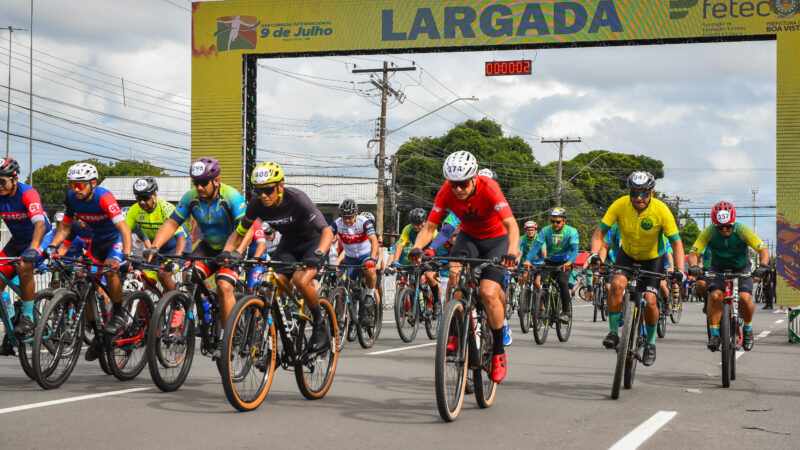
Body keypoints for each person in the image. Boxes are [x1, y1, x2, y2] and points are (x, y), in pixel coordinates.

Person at [409, 150, 519, 383]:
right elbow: (430, 227)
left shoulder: (489, 187)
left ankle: (498, 350)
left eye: (462, 184)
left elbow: (511, 225)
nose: (458, 189)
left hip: (495, 241)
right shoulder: (446, 192)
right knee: (455, 280)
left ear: (474, 178)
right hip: (469, 238)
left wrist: (510, 253)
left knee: (488, 292)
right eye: (453, 184)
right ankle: (458, 331)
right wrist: (417, 248)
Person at [220, 162, 333, 352]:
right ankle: (274, 330)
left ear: (280, 185)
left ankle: (320, 325)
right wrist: (227, 251)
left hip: (313, 244)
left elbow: (326, 231)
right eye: (258, 191)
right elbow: (240, 232)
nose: (263, 195)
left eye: (268, 190)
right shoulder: (256, 204)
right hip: (288, 244)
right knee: (272, 287)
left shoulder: (297, 199)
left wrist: (318, 254)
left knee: (300, 279)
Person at [589, 171, 685, 367]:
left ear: (652, 193)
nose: (638, 198)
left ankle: (650, 343)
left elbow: (676, 243)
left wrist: (680, 269)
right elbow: (600, 232)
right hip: (627, 256)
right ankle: (614, 332)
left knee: (650, 300)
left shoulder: (661, 210)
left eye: (643, 193)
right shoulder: (620, 205)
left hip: (653, 259)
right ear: (629, 192)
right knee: (616, 284)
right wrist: (594, 253)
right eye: (634, 193)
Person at [143, 157, 249, 333]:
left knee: (223, 285)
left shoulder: (232, 196)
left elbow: (246, 228)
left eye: (204, 183)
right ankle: (204, 311)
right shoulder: (191, 197)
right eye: (196, 182)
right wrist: (155, 246)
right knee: (189, 276)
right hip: (208, 246)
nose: (199, 187)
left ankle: (227, 336)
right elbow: (171, 224)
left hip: (233, 248)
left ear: (216, 180)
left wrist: (235, 251)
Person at [45, 162, 133, 361]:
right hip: (97, 243)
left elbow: (124, 230)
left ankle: (118, 313)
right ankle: (99, 336)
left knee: (110, 270)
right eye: (72, 185)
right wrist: (53, 246)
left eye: (80, 185)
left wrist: (126, 257)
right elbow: (65, 229)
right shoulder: (71, 199)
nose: (75, 189)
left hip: (114, 241)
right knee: (83, 284)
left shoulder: (104, 198)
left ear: (93, 183)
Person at [688, 201, 769, 352]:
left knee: (745, 298)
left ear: (733, 222)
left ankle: (748, 329)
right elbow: (693, 253)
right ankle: (714, 334)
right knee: (716, 296)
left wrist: (763, 266)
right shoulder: (709, 231)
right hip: (718, 268)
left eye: (728, 226)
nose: (724, 230)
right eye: (720, 227)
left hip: (741, 268)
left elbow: (763, 249)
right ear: (715, 224)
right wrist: (693, 266)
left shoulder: (742, 230)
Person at [0, 158, 53, 336]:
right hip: (18, 240)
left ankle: (28, 316)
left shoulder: (28, 193)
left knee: (24, 267)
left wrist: (33, 249)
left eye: (2, 181)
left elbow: (40, 224)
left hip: (41, 237)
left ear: (15, 179)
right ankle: (12, 323)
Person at [125, 177, 189, 293]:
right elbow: (124, 233)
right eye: (139, 198)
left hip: (175, 247)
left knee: (163, 274)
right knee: (144, 285)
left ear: (154, 195)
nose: (142, 202)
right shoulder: (134, 210)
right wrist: (124, 256)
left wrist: (176, 261)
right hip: (155, 249)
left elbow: (181, 238)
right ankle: (151, 309)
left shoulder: (166, 208)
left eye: (145, 198)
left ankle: (178, 304)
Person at [523, 207, 579, 324]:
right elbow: (536, 246)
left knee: (563, 282)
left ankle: (565, 312)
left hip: (565, 262)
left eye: (558, 222)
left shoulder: (571, 232)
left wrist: (570, 262)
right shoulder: (545, 231)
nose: (555, 224)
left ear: (564, 221)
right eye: (552, 221)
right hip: (550, 261)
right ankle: (544, 308)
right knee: (542, 283)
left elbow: (574, 250)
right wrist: (528, 260)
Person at [331, 199, 380, 314]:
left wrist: (372, 259)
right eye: (344, 217)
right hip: (350, 258)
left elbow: (374, 241)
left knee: (369, 269)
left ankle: (369, 294)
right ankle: (346, 316)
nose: (347, 220)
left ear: (356, 214)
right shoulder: (337, 223)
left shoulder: (364, 222)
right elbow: (327, 237)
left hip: (366, 254)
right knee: (343, 285)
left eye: (350, 217)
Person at [388, 208, 442, 313]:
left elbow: (439, 245)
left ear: (425, 222)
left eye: (418, 224)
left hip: (431, 255)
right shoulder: (408, 229)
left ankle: (436, 300)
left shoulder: (431, 229)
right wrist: (395, 261)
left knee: (429, 276)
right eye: (413, 224)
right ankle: (414, 307)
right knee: (413, 281)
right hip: (418, 256)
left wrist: (435, 259)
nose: (415, 227)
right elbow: (399, 245)